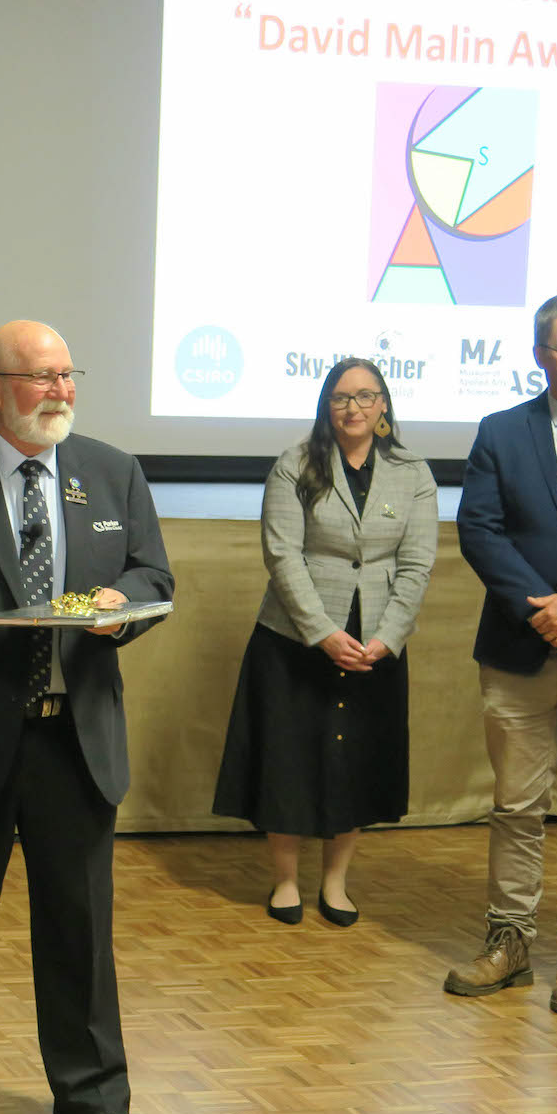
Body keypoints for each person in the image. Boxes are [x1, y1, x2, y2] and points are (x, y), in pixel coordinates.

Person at [0, 320, 173, 1114]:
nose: (61, 391)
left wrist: (123, 609)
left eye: (66, 374)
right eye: (41, 377)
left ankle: (91, 1094)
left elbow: (151, 573)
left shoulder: (111, 471)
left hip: (74, 738)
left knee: (78, 926)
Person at [212, 357, 438, 925]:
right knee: (287, 756)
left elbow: (417, 564)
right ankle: (285, 881)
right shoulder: (295, 464)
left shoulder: (413, 472)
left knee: (355, 760)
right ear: (325, 405)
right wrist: (321, 633)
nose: (353, 408)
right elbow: (281, 554)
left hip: (376, 643)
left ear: (383, 405)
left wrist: (387, 636)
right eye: (341, 397)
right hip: (294, 638)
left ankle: (336, 883)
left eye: (365, 396)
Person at [447, 291, 557, 1017]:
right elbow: (479, 530)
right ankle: (510, 942)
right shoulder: (500, 430)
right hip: (519, 651)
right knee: (516, 807)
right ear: (539, 355)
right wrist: (548, 610)